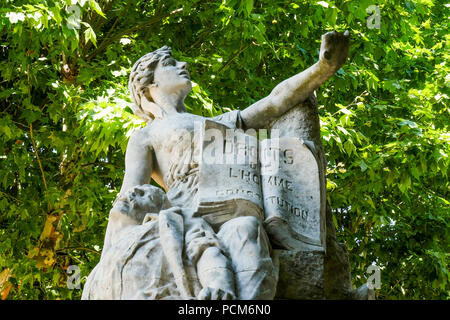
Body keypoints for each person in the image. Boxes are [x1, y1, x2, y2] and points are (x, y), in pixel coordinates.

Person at [101, 31, 350, 300]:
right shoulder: (145, 135)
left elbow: (276, 100)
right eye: (171, 64)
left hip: (235, 208)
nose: (183, 66)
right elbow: (131, 196)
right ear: (148, 84)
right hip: (188, 215)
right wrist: (110, 260)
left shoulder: (218, 123)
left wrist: (323, 67)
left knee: (248, 230)